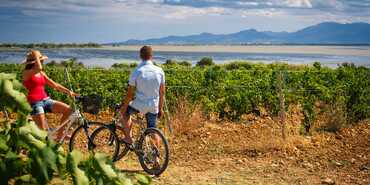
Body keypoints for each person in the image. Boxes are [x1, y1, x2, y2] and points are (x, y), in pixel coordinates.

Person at [22, 50, 78, 140]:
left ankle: (60, 135)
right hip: (35, 103)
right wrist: (37, 56)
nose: (43, 62)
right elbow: (39, 68)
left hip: (46, 100)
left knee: (68, 110)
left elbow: (55, 85)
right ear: (35, 62)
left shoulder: (41, 73)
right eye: (41, 61)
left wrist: (69, 92)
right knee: (43, 133)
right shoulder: (26, 73)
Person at [120, 45, 165, 148]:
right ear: (151, 56)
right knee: (153, 129)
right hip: (154, 105)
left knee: (125, 114)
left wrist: (124, 107)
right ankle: (156, 157)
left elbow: (130, 94)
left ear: (140, 55)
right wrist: (160, 108)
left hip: (139, 105)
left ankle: (128, 138)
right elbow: (162, 92)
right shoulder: (159, 71)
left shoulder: (136, 71)